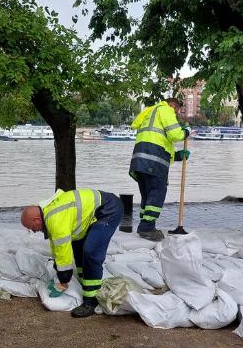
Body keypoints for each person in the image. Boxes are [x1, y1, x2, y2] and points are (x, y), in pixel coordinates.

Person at [21, 188, 123, 318]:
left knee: (91, 252)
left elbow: (63, 252)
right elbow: (57, 248)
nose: (33, 231)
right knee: (78, 247)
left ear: (36, 220)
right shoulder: (49, 215)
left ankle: (91, 301)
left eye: (31, 228)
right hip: (93, 213)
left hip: (108, 210)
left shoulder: (55, 220)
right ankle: (85, 281)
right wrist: (58, 267)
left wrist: (63, 280)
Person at [129, 97, 190, 241]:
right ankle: (147, 228)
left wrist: (177, 156)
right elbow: (175, 135)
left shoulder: (149, 114)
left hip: (140, 162)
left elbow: (157, 143)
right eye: (177, 111)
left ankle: (145, 225)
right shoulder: (166, 110)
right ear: (173, 106)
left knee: (148, 194)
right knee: (157, 191)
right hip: (152, 161)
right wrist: (186, 132)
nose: (176, 115)